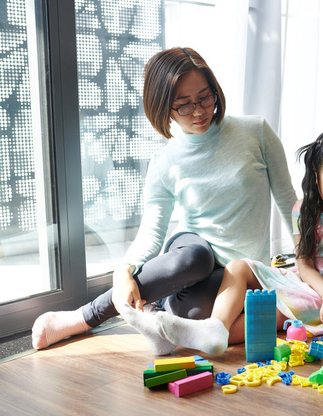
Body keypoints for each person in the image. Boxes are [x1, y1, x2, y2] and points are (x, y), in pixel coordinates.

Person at [31, 47, 296, 350]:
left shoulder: (255, 132)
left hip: (237, 273)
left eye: (205, 97)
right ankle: (85, 316)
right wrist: (124, 270)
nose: (198, 111)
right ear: (164, 108)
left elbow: (289, 202)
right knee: (197, 258)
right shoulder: (166, 162)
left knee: (196, 316)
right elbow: (152, 232)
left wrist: (310, 265)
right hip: (192, 253)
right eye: (183, 105)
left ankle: (155, 317)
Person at [118, 129, 323, 355]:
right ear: (316, 175)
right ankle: (213, 329)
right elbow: (305, 266)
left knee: (271, 313)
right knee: (239, 267)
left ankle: (189, 337)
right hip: (309, 282)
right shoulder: (302, 210)